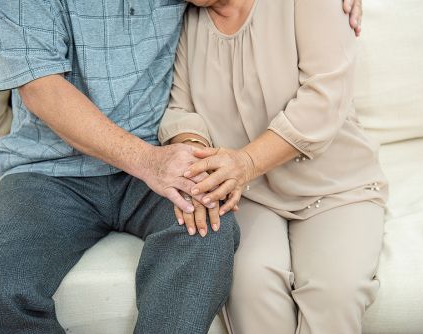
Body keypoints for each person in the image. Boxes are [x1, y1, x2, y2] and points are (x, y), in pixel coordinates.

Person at [0, 0, 362, 334]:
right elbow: (42, 89)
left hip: (162, 154)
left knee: (209, 232)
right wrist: (148, 162)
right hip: (52, 170)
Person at [159, 0, 387, 333]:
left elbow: (325, 96)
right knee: (249, 285)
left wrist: (246, 161)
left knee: (337, 292)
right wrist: (196, 157)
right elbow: (180, 107)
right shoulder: (182, 19)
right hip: (245, 194)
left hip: (336, 185)